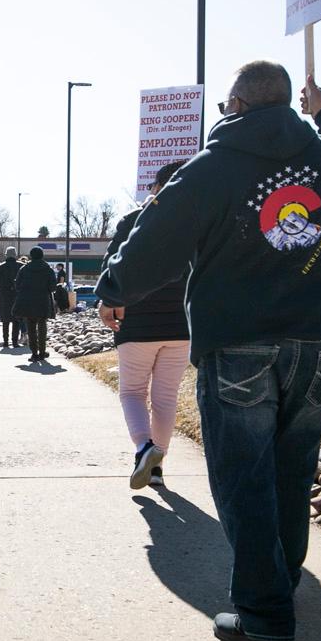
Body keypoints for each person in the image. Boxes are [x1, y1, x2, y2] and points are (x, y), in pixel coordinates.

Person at [96, 61, 321, 641]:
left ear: (236, 103)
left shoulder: (210, 169)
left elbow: (154, 242)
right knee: (292, 472)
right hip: (317, 345)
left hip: (239, 342)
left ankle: (265, 613)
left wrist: (113, 290)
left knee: (244, 479)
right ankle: (281, 582)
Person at [101, 160, 192, 490]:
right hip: (182, 325)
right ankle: (157, 467)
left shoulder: (132, 222)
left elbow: (112, 265)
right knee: (165, 398)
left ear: (156, 188)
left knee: (132, 393)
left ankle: (144, 448)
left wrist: (108, 301)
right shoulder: (196, 224)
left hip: (136, 321)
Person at [11, 245, 58, 361]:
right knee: (42, 327)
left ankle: (34, 353)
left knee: (31, 328)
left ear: (31, 256)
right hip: (43, 302)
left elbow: (17, 286)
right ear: (42, 255)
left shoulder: (24, 269)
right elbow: (53, 287)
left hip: (27, 301)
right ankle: (42, 352)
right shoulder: (48, 269)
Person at [0, 246, 22, 347]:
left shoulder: (0, 267)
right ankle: (15, 342)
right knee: (16, 319)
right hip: (17, 295)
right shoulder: (21, 266)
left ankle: (5, 341)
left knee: (5, 319)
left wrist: (3, 286)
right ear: (15, 255)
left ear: (6, 255)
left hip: (4, 295)